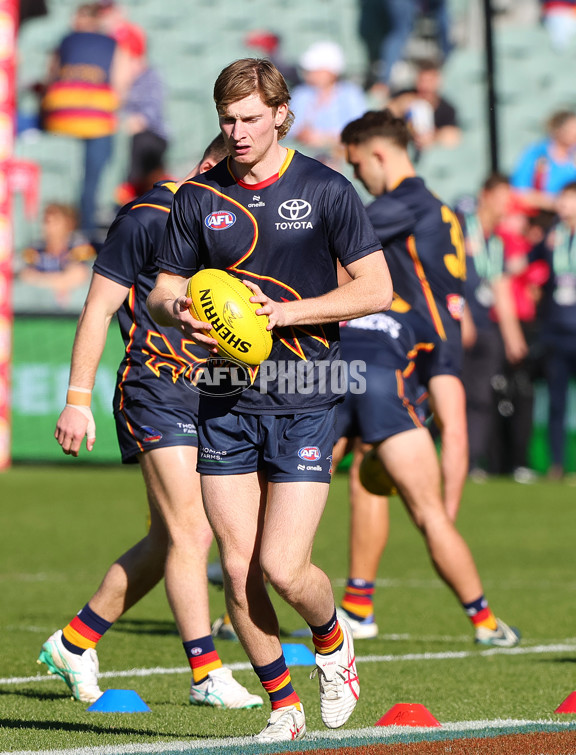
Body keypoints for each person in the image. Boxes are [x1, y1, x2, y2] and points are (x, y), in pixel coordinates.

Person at [147, 58, 392, 742]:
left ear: (281, 113)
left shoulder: (325, 188)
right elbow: (163, 290)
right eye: (228, 119)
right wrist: (181, 313)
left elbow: (376, 289)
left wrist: (284, 315)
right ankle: (283, 705)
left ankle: (332, 637)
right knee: (236, 563)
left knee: (284, 565)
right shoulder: (198, 197)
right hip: (223, 396)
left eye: (251, 117)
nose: (239, 130)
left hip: (307, 390)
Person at [39, 136, 263, 711]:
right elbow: (98, 309)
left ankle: (75, 641)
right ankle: (206, 672)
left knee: (169, 538)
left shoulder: (232, 226)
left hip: (210, 393)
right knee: (193, 530)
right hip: (153, 388)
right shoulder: (147, 215)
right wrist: (77, 398)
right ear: (211, 164)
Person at [336, 108, 467, 638]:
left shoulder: (400, 203)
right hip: (442, 334)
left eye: (357, 165)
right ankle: (359, 603)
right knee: (371, 459)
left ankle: (441, 530)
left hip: (420, 342)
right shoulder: (435, 205)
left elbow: (342, 241)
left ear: (378, 155)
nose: (358, 177)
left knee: (354, 455)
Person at [332, 304, 521, 648]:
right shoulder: (422, 323)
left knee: (284, 502)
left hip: (330, 382)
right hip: (384, 388)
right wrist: (445, 518)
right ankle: (486, 623)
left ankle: (236, 615)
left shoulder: (334, 311)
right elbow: (453, 427)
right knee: (431, 517)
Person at [458, 174, 529, 480]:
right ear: (485, 196)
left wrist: (513, 337)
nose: (505, 206)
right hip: (456, 326)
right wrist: (463, 318)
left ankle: (473, 462)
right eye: (501, 198)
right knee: (449, 394)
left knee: (482, 396)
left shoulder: (496, 241)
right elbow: (447, 278)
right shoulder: (459, 229)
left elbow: (500, 288)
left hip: (487, 329)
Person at [40, 3, 130, 241]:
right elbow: (121, 82)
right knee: (91, 178)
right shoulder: (112, 44)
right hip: (98, 119)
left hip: (61, 120)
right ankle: (86, 230)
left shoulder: (65, 42)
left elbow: (51, 75)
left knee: (61, 176)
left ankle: (58, 230)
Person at [529, 180, 576, 479]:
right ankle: (556, 466)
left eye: (569, 200)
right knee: (556, 403)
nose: (563, 205)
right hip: (556, 333)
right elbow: (524, 265)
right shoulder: (550, 237)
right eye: (561, 200)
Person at [114, 23, 170, 203]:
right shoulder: (113, 79)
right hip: (123, 135)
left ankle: (132, 191)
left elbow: (148, 116)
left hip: (152, 135)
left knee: (141, 140)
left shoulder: (150, 77)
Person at [288, 41, 367, 165]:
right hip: (306, 156)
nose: (309, 74)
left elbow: (359, 129)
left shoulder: (350, 93)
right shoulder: (301, 93)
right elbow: (291, 129)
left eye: (317, 70)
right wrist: (304, 135)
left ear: (331, 72)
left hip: (342, 158)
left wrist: (326, 139)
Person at [18, 203, 96, 307]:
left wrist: (41, 279)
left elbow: (80, 275)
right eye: (46, 222)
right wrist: (60, 282)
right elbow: (25, 276)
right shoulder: (35, 249)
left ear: (67, 224)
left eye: (55, 222)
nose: (49, 227)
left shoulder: (78, 245)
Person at [386, 59, 461, 154]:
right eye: (422, 81)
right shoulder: (404, 96)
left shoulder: (447, 109)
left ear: (438, 82)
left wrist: (435, 137)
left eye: (430, 81)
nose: (425, 86)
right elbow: (381, 116)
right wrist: (399, 106)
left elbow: (454, 136)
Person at [511, 109, 576, 213]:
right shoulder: (536, 154)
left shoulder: (573, 155)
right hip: (540, 217)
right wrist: (555, 203)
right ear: (559, 130)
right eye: (572, 128)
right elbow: (520, 192)